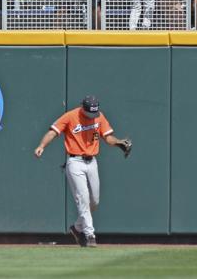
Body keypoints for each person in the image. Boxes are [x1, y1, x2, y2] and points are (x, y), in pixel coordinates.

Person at [34, 95, 132, 248]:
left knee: (94, 201)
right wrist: (42, 146)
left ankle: (77, 228)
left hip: (92, 161)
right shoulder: (70, 116)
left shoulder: (98, 116)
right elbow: (53, 132)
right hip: (75, 162)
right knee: (83, 198)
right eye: (90, 112)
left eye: (95, 112)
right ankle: (89, 234)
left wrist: (119, 142)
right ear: (83, 108)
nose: (93, 115)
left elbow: (108, 137)